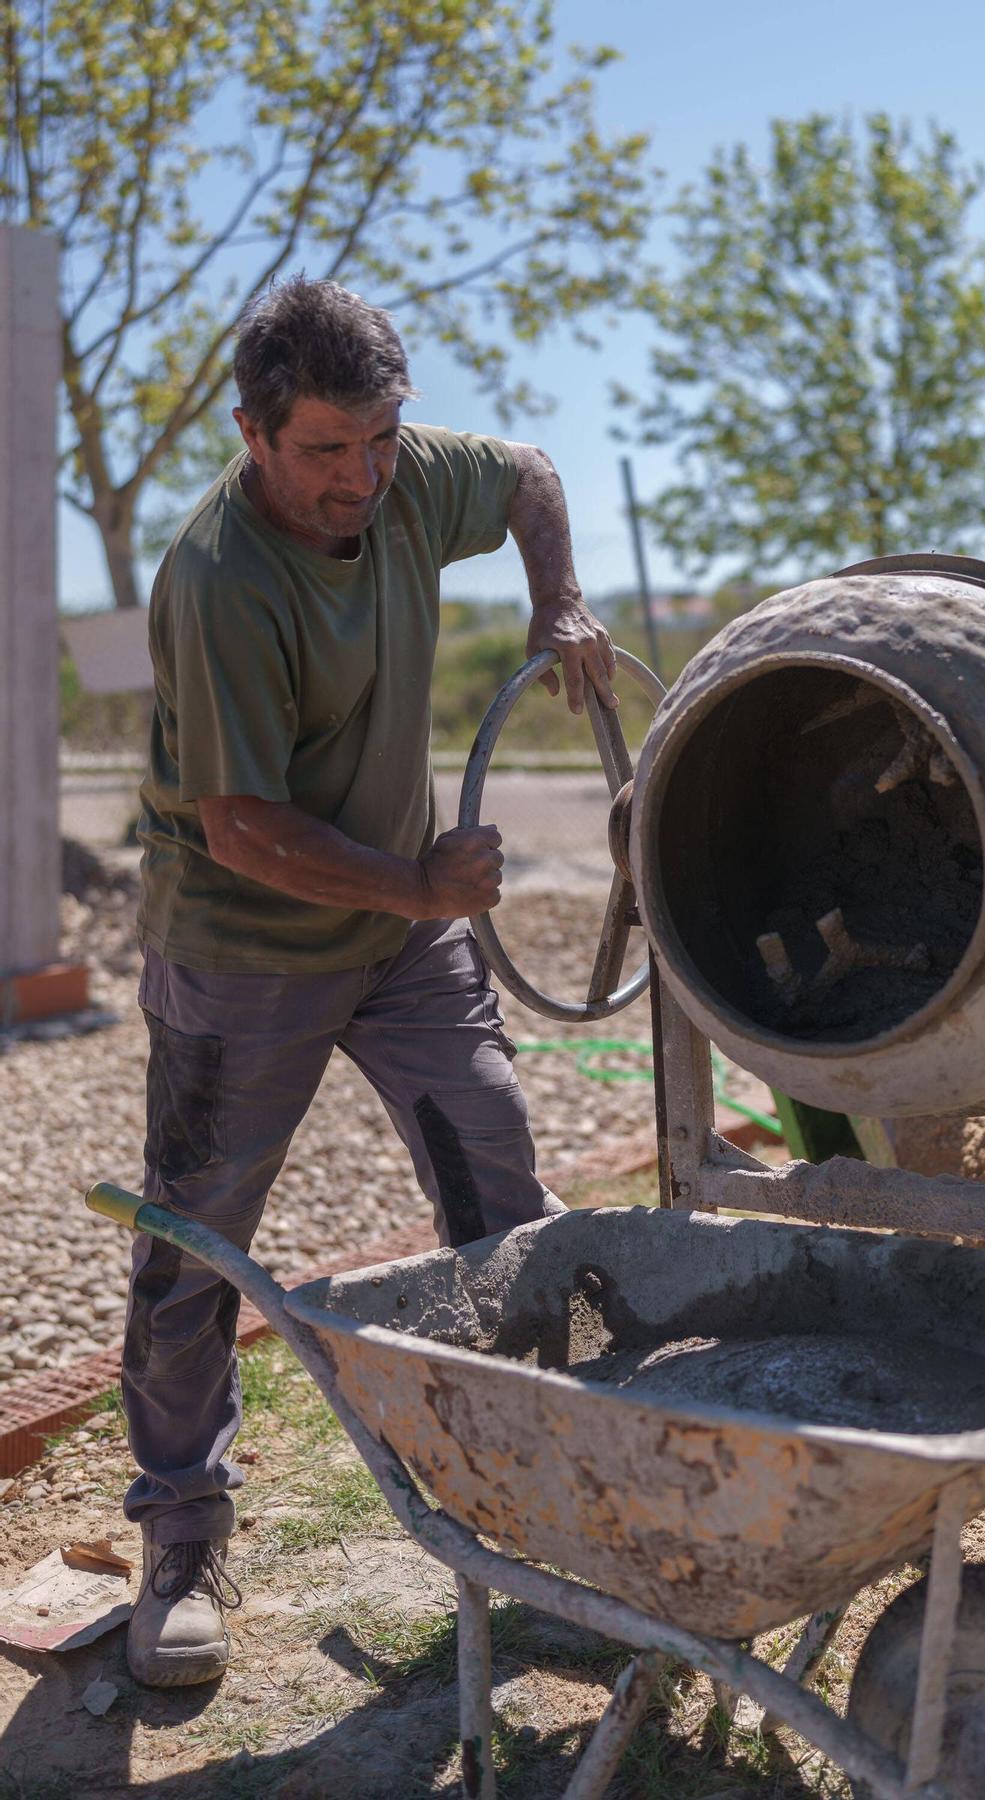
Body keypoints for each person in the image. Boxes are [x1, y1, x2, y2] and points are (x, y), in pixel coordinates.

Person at [123, 275, 617, 1688]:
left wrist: (560, 598)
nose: (363, 477)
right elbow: (243, 828)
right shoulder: (219, 578)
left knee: (503, 1188)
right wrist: (421, 885)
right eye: (326, 450)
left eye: (382, 440)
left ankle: (543, 1508)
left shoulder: (407, 482)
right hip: (245, 951)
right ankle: (178, 1534)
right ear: (254, 435)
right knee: (195, 1247)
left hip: (405, 939)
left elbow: (528, 474)